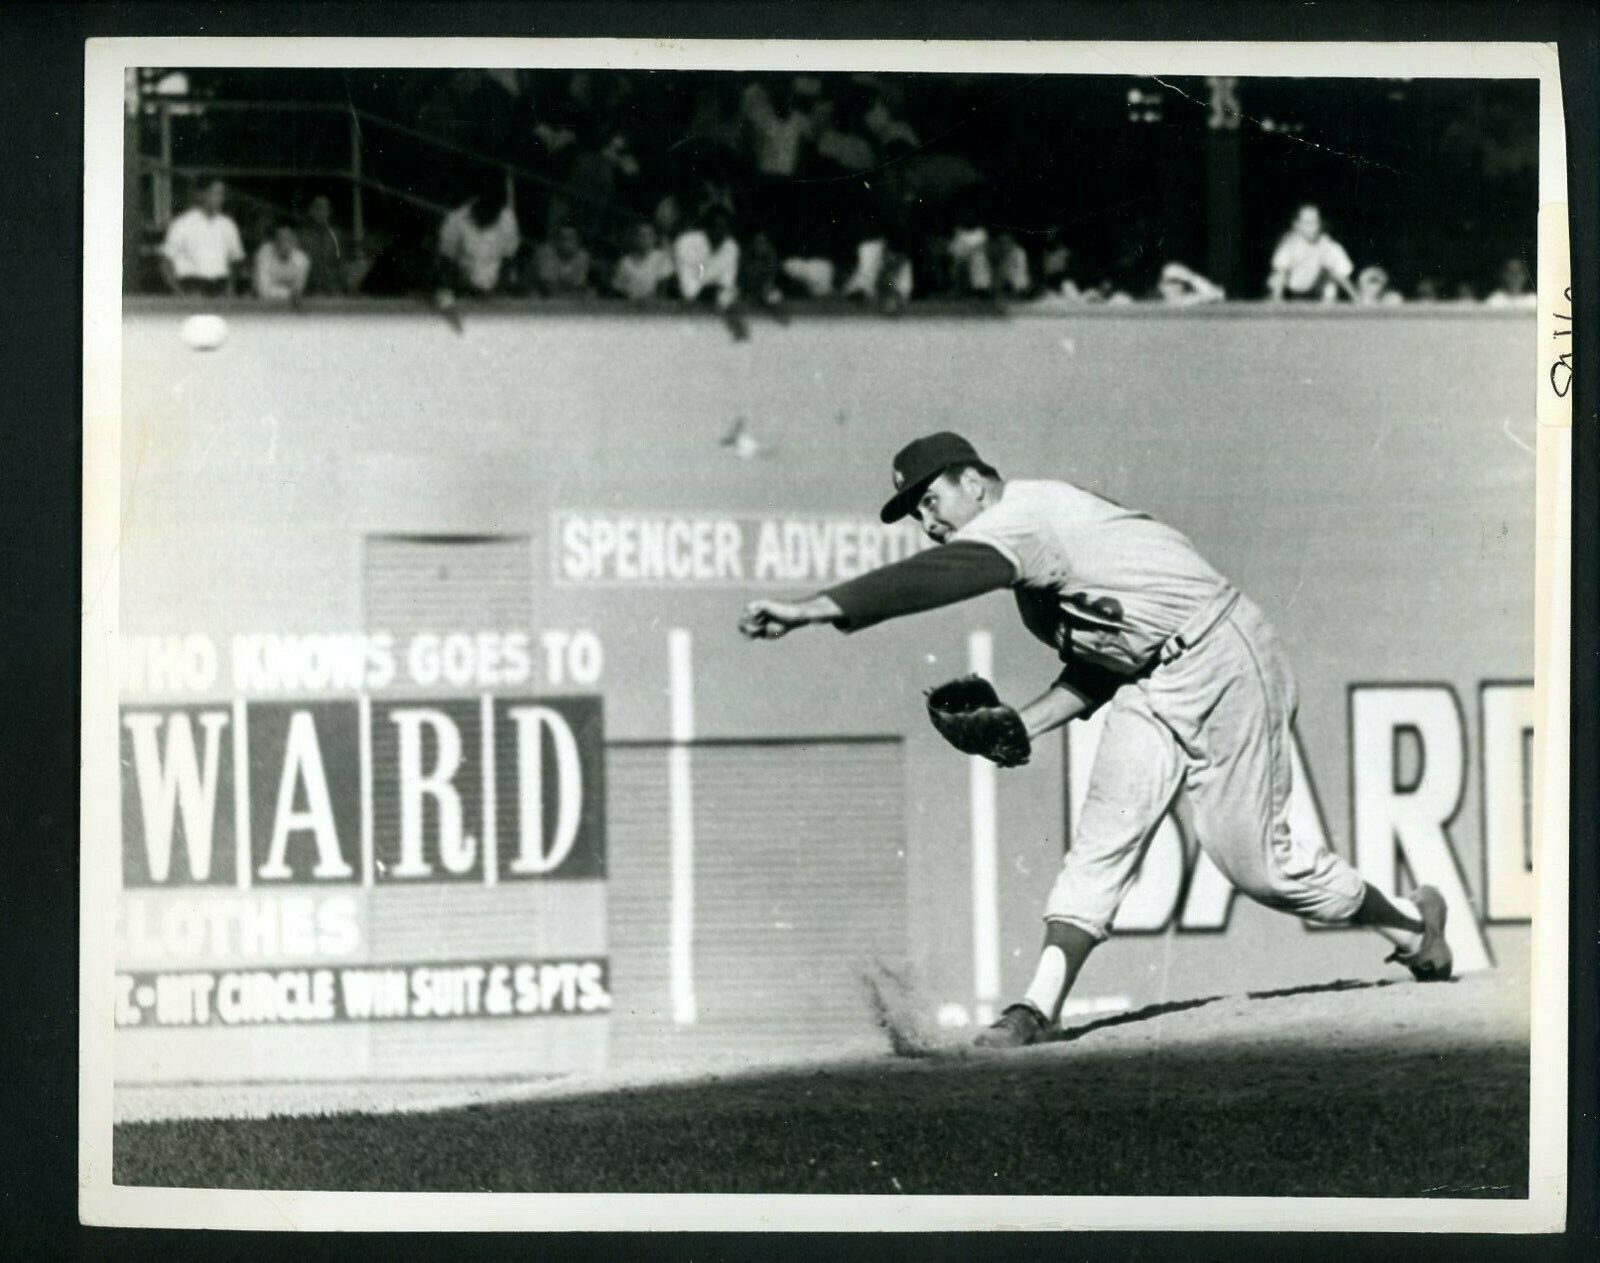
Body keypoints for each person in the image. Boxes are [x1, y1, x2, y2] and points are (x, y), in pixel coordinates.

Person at [738, 432, 1454, 1049]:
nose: (927, 520)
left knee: (1258, 867)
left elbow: (939, 577)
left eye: (932, 499)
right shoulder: (1024, 569)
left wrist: (817, 609)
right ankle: (1037, 1007)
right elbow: (1098, 668)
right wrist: (1025, 722)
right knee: (1101, 839)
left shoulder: (1021, 518)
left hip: (1224, 653)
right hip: (1150, 679)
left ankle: (1412, 925)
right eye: (916, 510)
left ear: (976, 480)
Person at [159, 179, 245, 296]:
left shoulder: (228, 225)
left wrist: (230, 287)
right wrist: (179, 293)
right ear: (201, 195)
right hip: (192, 286)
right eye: (214, 193)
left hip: (220, 288)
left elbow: (236, 260)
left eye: (221, 194)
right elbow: (165, 262)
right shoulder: (182, 223)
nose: (219, 199)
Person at [437, 180, 520, 296]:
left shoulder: (507, 219)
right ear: (476, 201)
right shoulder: (455, 221)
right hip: (463, 293)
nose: (491, 211)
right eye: (486, 204)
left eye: (495, 207)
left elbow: (510, 259)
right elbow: (445, 262)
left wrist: (502, 289)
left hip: (495, 295)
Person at [1267, 204, 1358, 302]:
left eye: (1315, 222)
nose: (1313, 227)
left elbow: (1341, 274)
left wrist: (1357, 298)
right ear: (1297, 225)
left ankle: (1327, 313)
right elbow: (1280, 273)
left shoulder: (1328, 245)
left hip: (1315, 295)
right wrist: (1277, 301)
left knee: (1330, 281)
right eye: (1307, 223)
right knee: (1275, 278)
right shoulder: (1288, 244)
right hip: (1289, 293)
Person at [674, 204, 740, 309]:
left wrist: (722, 295)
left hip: (713, 307)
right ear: (706, 227)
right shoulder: (686, 242)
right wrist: (713, 293)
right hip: (680, 305)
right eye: (716, 226)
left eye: (725, 227)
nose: (720, 232)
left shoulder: (731, 247)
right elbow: (686, 287)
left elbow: (726, 284)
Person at [610, 221, 675, 301]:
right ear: (635, 238)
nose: (645, 239)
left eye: (649, 235)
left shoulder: (662, 258)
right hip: (630, 307)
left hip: (655, 306)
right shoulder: (625, 262)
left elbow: (664, 288)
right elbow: (618, 290)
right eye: (641, 235)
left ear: (655, 238)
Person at [299, 194, 349, 295]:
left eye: (325, 209)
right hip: (309, 290)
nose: (321, 213)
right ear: (311, 211)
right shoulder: (302, 237)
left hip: (333, 289)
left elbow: (341, 264)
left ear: (329, 212)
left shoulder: (336, 236)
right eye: (318, 208)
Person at [253, 221, 311, 301]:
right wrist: (289, 292)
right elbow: (263, 292)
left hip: (290, 308)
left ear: (295, 241)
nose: (284, 243)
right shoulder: (263, 254)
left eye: (288, 238)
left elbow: (298, 291)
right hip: (263, 306)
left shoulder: (302, 260)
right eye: (280, 239)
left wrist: (276, 290)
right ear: (274, 241)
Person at [532, 223, 593, 296]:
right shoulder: (545, 253)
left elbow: (579, 285)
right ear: (556, 240)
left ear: (578, 240)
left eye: (571, 238)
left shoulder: (583, 256)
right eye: (563, 238)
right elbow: (548, 286)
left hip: (568, 299)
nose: (566, 243)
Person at [1156, 261, 1225, 305]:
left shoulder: (1191, 300)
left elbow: (1218, 294)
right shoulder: (1154, 302)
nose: (1172, 286)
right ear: (1161, 285)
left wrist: (1191, 278)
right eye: (1169, 282)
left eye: (1177, 282)